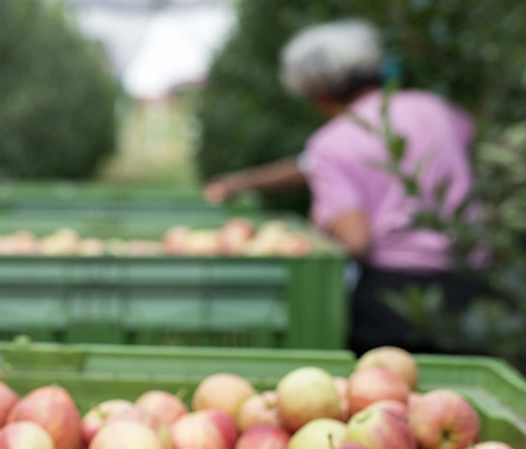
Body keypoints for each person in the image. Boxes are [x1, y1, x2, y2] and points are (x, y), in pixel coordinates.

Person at [205, 19, 484, 355]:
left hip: (394, 302)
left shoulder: (333, 142)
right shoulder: (437, 109)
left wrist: (319, 225)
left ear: (320, 95)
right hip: (476, 289)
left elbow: (355, 240)